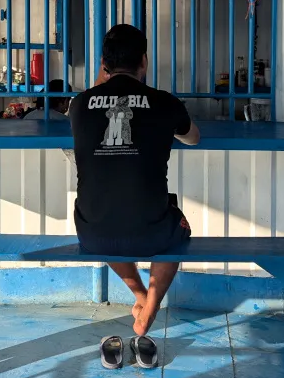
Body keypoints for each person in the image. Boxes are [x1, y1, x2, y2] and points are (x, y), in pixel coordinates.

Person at [69, 24, 200, 337]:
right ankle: (151, 304)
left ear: (104, 63)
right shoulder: (165, 102)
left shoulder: (79, 105)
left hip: (93, 235)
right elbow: (193, 138)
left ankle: (141, 295)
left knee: (109, 217)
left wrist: (101, 82)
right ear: (144, 61)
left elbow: (91, 101)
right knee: (178, 228)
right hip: (152, 234)